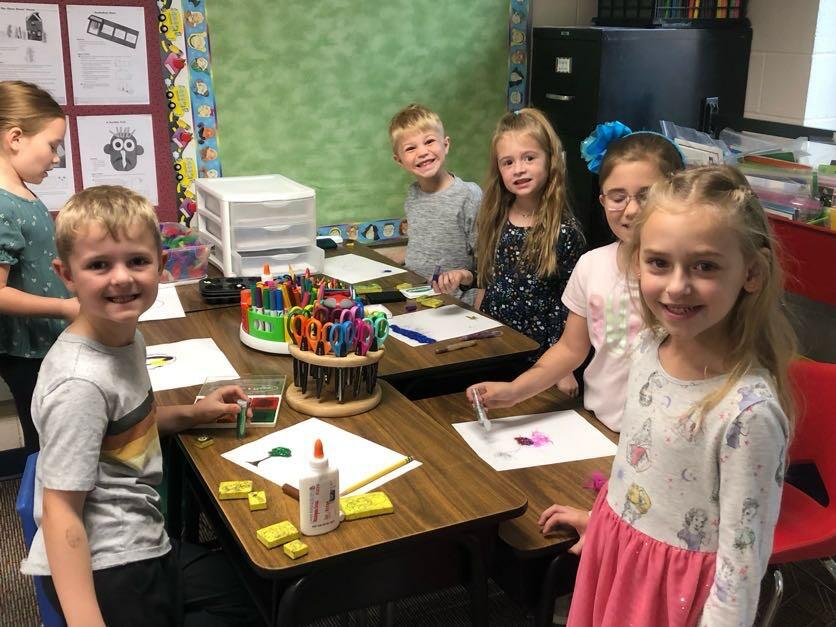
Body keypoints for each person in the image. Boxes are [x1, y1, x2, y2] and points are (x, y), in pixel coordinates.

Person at [541, 166, 797, 626]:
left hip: (673, 591)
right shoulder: (648, 346)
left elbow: (741, 568)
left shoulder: (748, 414)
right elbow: (640, 462)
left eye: (705, 266)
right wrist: (606, 519)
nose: (677, 286)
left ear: (752, 273)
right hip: (619, 551)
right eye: (659, 263)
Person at [20, 186, 261, 626]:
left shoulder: (125, 336)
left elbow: (127, 427)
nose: (121, 278)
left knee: (245, 591)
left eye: (136, 261)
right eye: (99, 265)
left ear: (160, 266)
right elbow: (60, 511)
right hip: (108, 560)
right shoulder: (79, 383)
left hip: (137, 530)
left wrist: (195, 412)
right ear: (67, 275)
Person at [467, 123, 685, 431]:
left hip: (668, 437)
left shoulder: (689, 278)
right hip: (602, 427)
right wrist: (516, 391)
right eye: (618, 197)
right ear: (603, 200)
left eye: (646, 195)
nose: (631, 210)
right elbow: (571, 348)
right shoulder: (592, 266)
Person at [436, 108, 583, 390]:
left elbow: (573, 306)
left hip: (539, 356)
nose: (519, 169)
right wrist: (467, 278)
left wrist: (564, 368)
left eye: (529, 158)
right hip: (494, 345)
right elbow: (492, 276)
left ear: (550, 160)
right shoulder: (495, 216)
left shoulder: (564, 231)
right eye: (508, 162)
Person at [0, 81, 78, 463]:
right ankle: (43, 500)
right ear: (15, 138)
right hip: (28, 352)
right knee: (49, 445)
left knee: (61, 434)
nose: (56, 158)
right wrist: (65, 308)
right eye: (52, 145)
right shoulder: (2, 205)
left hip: (47, 342)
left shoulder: (20, 192)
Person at [389, 103, 481, 304]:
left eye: (429, 141)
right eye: (410, 148)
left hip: (456, 303)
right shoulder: (412, 194)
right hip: (416, 297)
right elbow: (424, 244)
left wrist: (463, 277)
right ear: (399, 160)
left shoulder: (469, 195)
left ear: (445, 145)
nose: (422, 152)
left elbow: (486, 264)